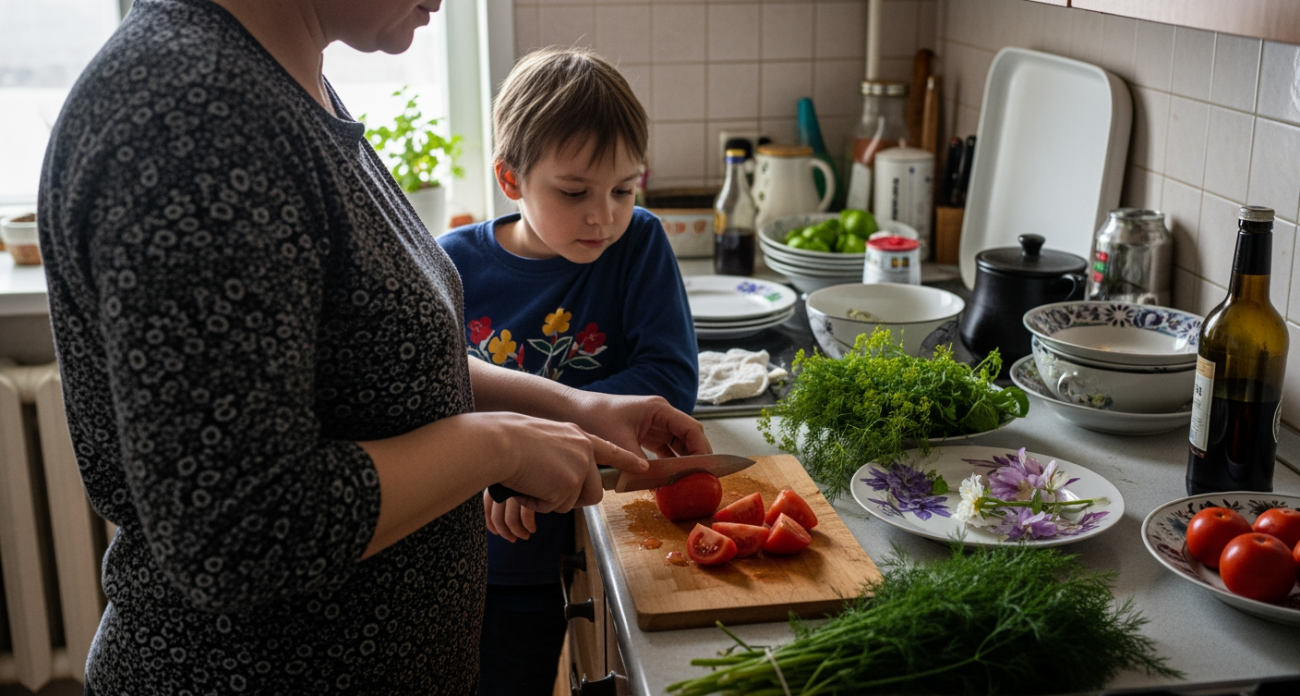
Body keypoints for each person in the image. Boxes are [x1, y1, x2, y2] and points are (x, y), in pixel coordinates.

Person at [36, 1, 710, 693]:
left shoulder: (281, 79)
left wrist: (572, 408)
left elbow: (378, 367)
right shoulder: (195, 118)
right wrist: (501, 446)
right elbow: (240, 531)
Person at [438, 48, 698, 695]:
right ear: (510, 178)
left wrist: (537, 444)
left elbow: (668, 378)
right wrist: (507, 461)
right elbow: (436, 399)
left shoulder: (639, 243)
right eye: (575, 192)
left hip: (603, 540)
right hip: (486, 556)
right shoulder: (450, 263)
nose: (603, 214)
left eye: (624, 189)